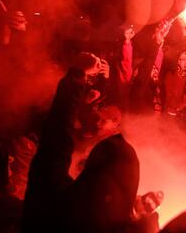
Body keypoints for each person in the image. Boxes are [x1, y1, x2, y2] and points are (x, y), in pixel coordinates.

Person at [22, 52, 146, 232]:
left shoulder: (58, 204)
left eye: (107, 119)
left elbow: (57, 138)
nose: (99, 121)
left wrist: (77, 76)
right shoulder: (111, 224)